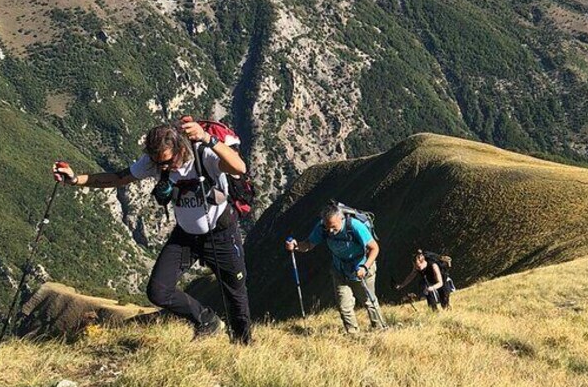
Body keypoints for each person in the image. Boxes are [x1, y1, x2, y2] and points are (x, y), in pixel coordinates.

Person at [52, 119, 252, 344]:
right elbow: (118, 178)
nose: (163, 168)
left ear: (180, 147)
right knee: (158, 291)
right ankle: (206, 321)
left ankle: (243, 344)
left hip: (221, 233)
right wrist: (76, 179)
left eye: (167, 161)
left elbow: (239, 167)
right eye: (158, 163)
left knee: (234, 291)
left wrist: (207, 139)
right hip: (186, 235)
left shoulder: (203, 154)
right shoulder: (154, 162)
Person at [285, 204, 382, 334]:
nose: (330, 230)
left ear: (341, 219)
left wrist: (365, 267)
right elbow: (308, 244)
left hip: (361, 269)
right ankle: (353, 334)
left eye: (333, 227)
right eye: (327, 226)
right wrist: (296, 246)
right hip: (339, 270)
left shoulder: (355, 227)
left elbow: (374, 248)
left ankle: (380, 329)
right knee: (344, 306)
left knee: (369, 301)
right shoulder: (322, 227)